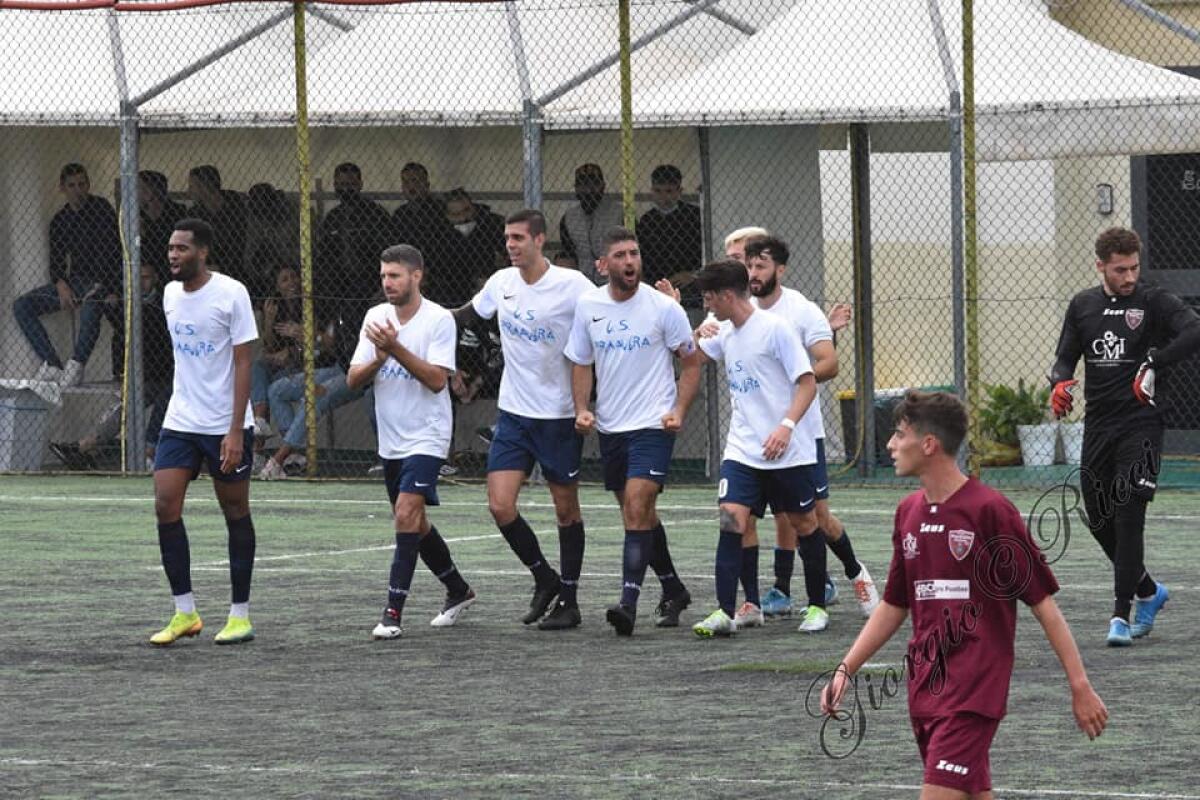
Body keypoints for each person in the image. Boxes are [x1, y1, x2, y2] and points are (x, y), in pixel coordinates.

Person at [822, 391, 1108, 799]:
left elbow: (1043, 604)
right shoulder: (908, 513)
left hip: (974, 693)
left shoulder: (991, 511)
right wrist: (845, 669)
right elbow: (894, 604)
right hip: (925, 691)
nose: (890, 445)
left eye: (899, 434)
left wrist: (1080, 685)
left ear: (928, 444)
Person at [1049, 226, 1200, 646]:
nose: (1129, 277)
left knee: (1129, 514)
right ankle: (1150, 591)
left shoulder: (1154, 301)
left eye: (1134, 267)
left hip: (1143, 425)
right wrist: (1058, 383)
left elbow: (1194, 331)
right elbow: (1064, 358)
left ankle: (1120, 614)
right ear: (1101, 266)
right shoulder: (1083, 305)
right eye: (1120, 270)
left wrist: (1155, 360)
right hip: (1099, 426)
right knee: (1098, 517)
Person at [453, 209, 594, 628]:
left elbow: (604, 319)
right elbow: (465, 315)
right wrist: (419, 316)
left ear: (540, 240)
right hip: (514, 414)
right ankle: (544, 578)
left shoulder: (573, 286)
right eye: (507, 238)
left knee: (566, 511)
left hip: (559, 417)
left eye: (518, 238)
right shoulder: (501, 283)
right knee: (500, 505)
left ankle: (569, 602)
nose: (511, 245)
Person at [564, 227, 703, 634]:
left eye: (635, 253)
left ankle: (628, 602)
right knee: (637, 514)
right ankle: (674, 589)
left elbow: (691, 363)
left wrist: (678, 409)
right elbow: (581, 361)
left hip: (653, 425)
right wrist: (581, 409)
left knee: (638, 505)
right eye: (621, 255)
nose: (630, 262)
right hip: (612, 427)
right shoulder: (588, 305)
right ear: (602, 264)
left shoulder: (664, 308)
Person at [740, 236, 880, 628]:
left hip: (799, 433)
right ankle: (760, 598)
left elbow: (829, 363)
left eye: (761, 266)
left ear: (780, 270)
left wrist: (792, 377)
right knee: (745, 515)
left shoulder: (800, 310)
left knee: (817, 517)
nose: (753, 273)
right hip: (752, 438)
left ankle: (855, 574)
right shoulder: (740, 310)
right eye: (749, 265)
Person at [688, 259, 827, 637]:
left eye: (709, 298)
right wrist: (695, 331)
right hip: (743, 449)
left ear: (727, 295)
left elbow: (808, 382)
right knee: (731, 518)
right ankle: (724, 610)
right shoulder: (724, 331)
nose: (707, 304)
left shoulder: (775, 330)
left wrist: (785, 427)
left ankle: (816, 605)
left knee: (805, 523)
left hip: (786, 450)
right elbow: (691, 356)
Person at [347, 244, 477, 639]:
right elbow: (354, 379)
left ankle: (392, 613)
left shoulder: (439, 320)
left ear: (416, 276)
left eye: (395, 276)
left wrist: (395, 348)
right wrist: (380, 357)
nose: (388, 283)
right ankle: (458, 589)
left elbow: (438, 380)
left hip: (428, 435)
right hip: (391, 439)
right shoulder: (375, 317)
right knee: (415, 522)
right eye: (384, 276)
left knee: (405, 514)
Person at [149, 218, 258, 647]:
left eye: (181, 249)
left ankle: (239, 615)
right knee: (164, 505)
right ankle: (185, 612)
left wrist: (235, 430)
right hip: (180, 421)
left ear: (203, 252)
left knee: (234, 511)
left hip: (224, 425)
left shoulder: (232, 294)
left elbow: (245, 362)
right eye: (171, 248)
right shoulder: (170, 293)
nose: (173, 255)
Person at [49, 263, 173, 471]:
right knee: (125, 406)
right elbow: (122, 333)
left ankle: (149, 450)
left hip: (171, 372)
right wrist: (110, 303)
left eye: (147, 277)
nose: (142, 283)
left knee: (166, 397)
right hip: (145, 373)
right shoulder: (127, 304)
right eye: (137, 278)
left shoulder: (165, 303)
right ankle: (85, 446)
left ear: (156, 279)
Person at [13, 163, 122, 387]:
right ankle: (52, 364)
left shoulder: (101, 209)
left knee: (93, 303)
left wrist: (106, 286)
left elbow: (113, 253)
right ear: (62, 188)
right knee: (22, 306)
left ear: (89, 185)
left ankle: (76, 364)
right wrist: (61, 283)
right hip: (75, 281)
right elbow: (57, 260)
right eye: (71, 185)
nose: (78, 190)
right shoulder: (60, 220)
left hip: (102, 281)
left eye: (82, 184)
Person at [316, 162, 393, 323]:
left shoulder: (376, 214)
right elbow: (323, 256)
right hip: (338, 288)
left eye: (351, 184)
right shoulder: (333, 218)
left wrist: (383, 286)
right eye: (342, 184)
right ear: (335, 185)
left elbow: (388, 252)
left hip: (369, 284)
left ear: (360, 185)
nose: (346, 189)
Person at [430, 188, 506, 309]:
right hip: (451, 289)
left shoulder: (492, 224)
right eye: (456, 215)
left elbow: (505, 258)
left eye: (467, 211)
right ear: (447, 216)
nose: (464, 218)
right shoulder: (438, 233)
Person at [636, 165, 702, 288]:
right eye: (658, 191)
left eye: (669, 191)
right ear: (652, 191)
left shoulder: (695, 216)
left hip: (688, 284)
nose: (663, 197)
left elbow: (705, 251)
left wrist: (693, 274)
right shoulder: (647, 221)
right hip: (655, 284)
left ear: (679, 191)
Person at [557, 164, 624, 284]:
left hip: (614, 281)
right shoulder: (569, 217)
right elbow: (568, 255)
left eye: (594, 184)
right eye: (583, 185)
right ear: (576, 188)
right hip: (582, 282)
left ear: (603, 186)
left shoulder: (620, 213)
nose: (588, 190)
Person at [187, 165, 248, 285]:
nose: (189, 191)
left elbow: (240, 243)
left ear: (204, 186)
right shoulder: (194, 214)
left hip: (236, 267)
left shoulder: (236, 208)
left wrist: (222, 268)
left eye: (192, 186)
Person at [138, 170, 188, 287]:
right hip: (147, 271)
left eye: (141, 188)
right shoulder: (138, 215)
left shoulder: (177, 212)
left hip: (171, 266)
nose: (137, 193)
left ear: (152, 191)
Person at [392, 162, 445, 260]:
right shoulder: (399, 214)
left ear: (427, 185)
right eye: (406, 182)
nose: (411, 186)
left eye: (415, 181)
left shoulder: (440, 210)